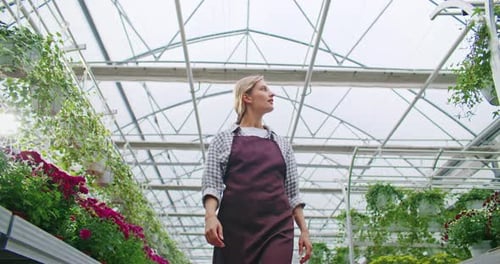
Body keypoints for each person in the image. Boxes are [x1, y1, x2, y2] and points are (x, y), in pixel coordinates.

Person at [201, 75, 312, 264]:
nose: (272, 93)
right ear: (247, 97)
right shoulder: (224, 139)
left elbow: (293, 194)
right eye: (263, 89)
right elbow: (212, 184)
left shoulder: (281, 144)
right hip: (235, 229)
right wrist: (210, 217)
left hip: (277, 228)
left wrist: (304, 231)